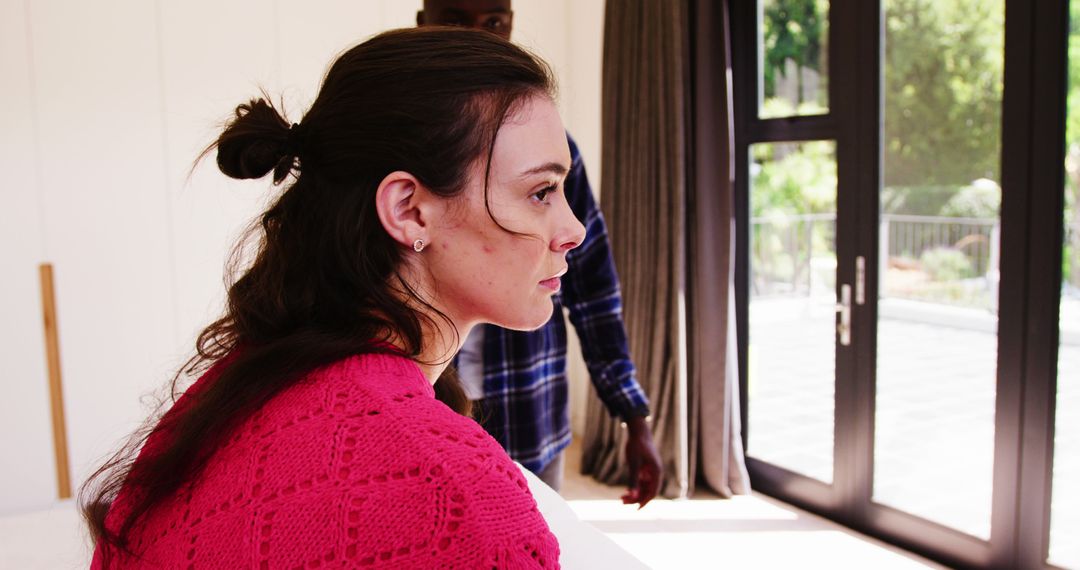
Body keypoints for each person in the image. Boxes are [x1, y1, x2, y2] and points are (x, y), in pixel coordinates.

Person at [81, 27, 584, 568]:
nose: (573, 230)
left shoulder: (233, 388)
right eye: (540, 192)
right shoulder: (466, 503)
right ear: (409, 210)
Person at [417, 0, 663, 504]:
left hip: (532, 419)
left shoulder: (551, 149)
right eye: (456, 19)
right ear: (424, 25)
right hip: (424, 420)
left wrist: (632, 412)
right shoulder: (394, 150)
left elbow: (593, 288)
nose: (480, 38)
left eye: (495, 21)